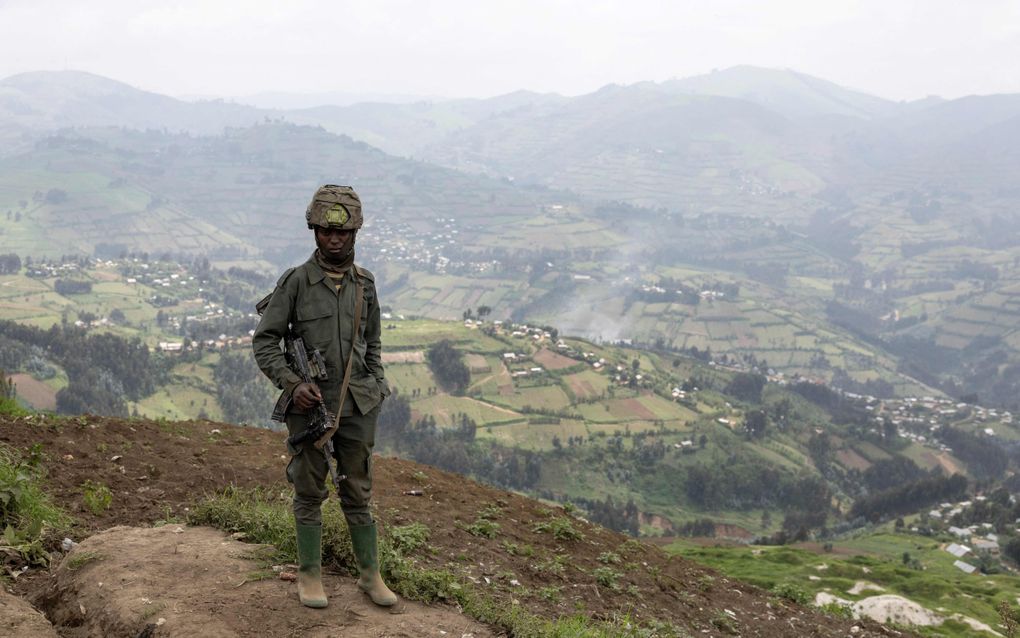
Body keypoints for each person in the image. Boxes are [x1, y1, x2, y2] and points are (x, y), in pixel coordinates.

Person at [252, 185, 396, 609]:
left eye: (344, 233)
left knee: (359, 491)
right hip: (310, 407)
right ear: (314, 231)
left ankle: (370, 576)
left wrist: (377, 388)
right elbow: (265, 342)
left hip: (358, 405)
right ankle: (310, 575)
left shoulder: (365, 286)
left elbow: (373, 345)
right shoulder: (296, 283)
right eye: (326, 232)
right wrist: (293, 385)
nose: (335, 240)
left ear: (355, 234)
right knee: (309, 488)